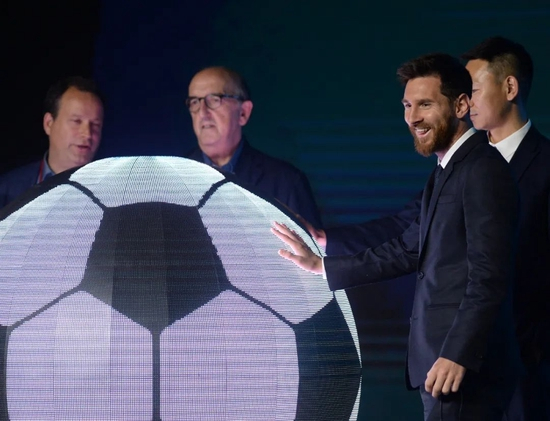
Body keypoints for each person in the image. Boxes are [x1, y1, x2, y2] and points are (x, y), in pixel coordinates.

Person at [272, 53, 521, 420]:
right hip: (437, 366)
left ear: (461, 106)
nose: (412, 117)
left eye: (425, 104)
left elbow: (489, 275)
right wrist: (322, 266)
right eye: (407, 105)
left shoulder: (482, 169)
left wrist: (458, 353)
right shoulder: (446, 171)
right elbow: (406, 249)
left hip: (460, 369)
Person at [462, 36, 550, 421]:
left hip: (530, 366)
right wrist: (329, 243)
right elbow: (411, 226)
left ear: (510, 87)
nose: (465, 103)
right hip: (465, 364)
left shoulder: (546, 165)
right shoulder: (463, 166)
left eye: (473, 91)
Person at [186, 66, 322, 228]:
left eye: (214, 100)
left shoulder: (287, 182)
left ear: (243, 112)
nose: (202, 113)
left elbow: (309, 244)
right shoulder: (173, 179)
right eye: (195, 102)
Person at [0, 76, 104, 208]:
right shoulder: (7, 191)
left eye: (95, 125)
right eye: (76, 121)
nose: (87, 134)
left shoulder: (111, 191)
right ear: (49, 123)